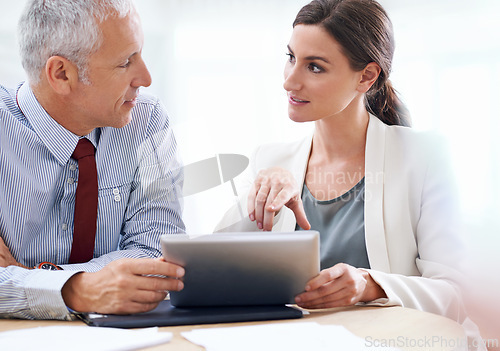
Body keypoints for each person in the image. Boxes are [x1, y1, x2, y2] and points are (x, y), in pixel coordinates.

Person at [216, 0, 483, 345]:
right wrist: (256, 200)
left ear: (366, 76)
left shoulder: (424, 156)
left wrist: (368, 285)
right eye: (291, 58)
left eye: (314, 67)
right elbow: (215, 267)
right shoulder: (273, 160)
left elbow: (457, 294)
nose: (289, 82)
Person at [0, 0, 185, 320]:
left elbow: (158, 258)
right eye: (126, 62)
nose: (146, 77)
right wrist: (78, 289)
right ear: (61, 74)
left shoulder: (147, 121)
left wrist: (44, 280)